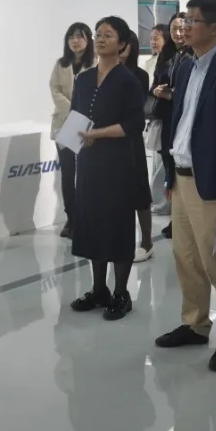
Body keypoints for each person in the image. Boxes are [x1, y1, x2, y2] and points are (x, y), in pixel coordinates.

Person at [154, 0, 216, 372]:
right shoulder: (184, 68)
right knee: (187, 258)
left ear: (214, 28)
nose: (185, 26)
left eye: (193, 20)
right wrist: (170, 174)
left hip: (212, 185)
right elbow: (179, 123)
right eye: (184, 20)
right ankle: (195, 324)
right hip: (181, 179)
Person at [68, 16, 145, 321]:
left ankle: (121, 293)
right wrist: (74, 138)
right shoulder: (84, 78)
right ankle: (98, 289)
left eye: (108, 35)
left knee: (117, 225)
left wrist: (97, 134)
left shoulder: (128, 80)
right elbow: (75, 115)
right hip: (89, 162)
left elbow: (134, 124)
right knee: (92, 224)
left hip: (118, 162)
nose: (100, 39)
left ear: (122, 43)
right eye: (98, 34)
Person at [50, 22, 95, 239]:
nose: (75, 41)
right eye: (71, 37)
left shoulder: (95, 64)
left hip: (87, 126)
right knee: (68, 174)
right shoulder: (61, 64)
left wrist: (79, 114)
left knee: (87, 174)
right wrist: (71, 111)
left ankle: (87, 216)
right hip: (64, 123)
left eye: (80, 36)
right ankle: (71, 218)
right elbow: (55, 88)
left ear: (88, 40)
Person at [152, 13, 192, 238]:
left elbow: (191, 92)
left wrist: (171, 95)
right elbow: (155, 83)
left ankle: (183, 219)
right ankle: (175, 218)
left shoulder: (192, 55)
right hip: (167, 118)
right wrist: (158, 90)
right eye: (174, 28)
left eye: (182, 28)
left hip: (184, 119)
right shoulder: (167, 55)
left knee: (182, 169)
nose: (178, 33)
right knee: (169, 168)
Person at [119, 34, 154, 263]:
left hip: (130, 139)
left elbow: (135, 109)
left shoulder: (138, 75)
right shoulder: (98, 73)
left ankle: (146, 241)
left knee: (139, 191)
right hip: (106, 143)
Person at [145, 23, 174, 216]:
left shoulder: (171, 62)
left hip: (166, 116)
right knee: (157, 163)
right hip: (153, 117)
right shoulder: (150, 62)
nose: (152, 42)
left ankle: (165, 203)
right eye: (151, 38)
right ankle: (159, 201)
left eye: (156, 38)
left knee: (164, 164)